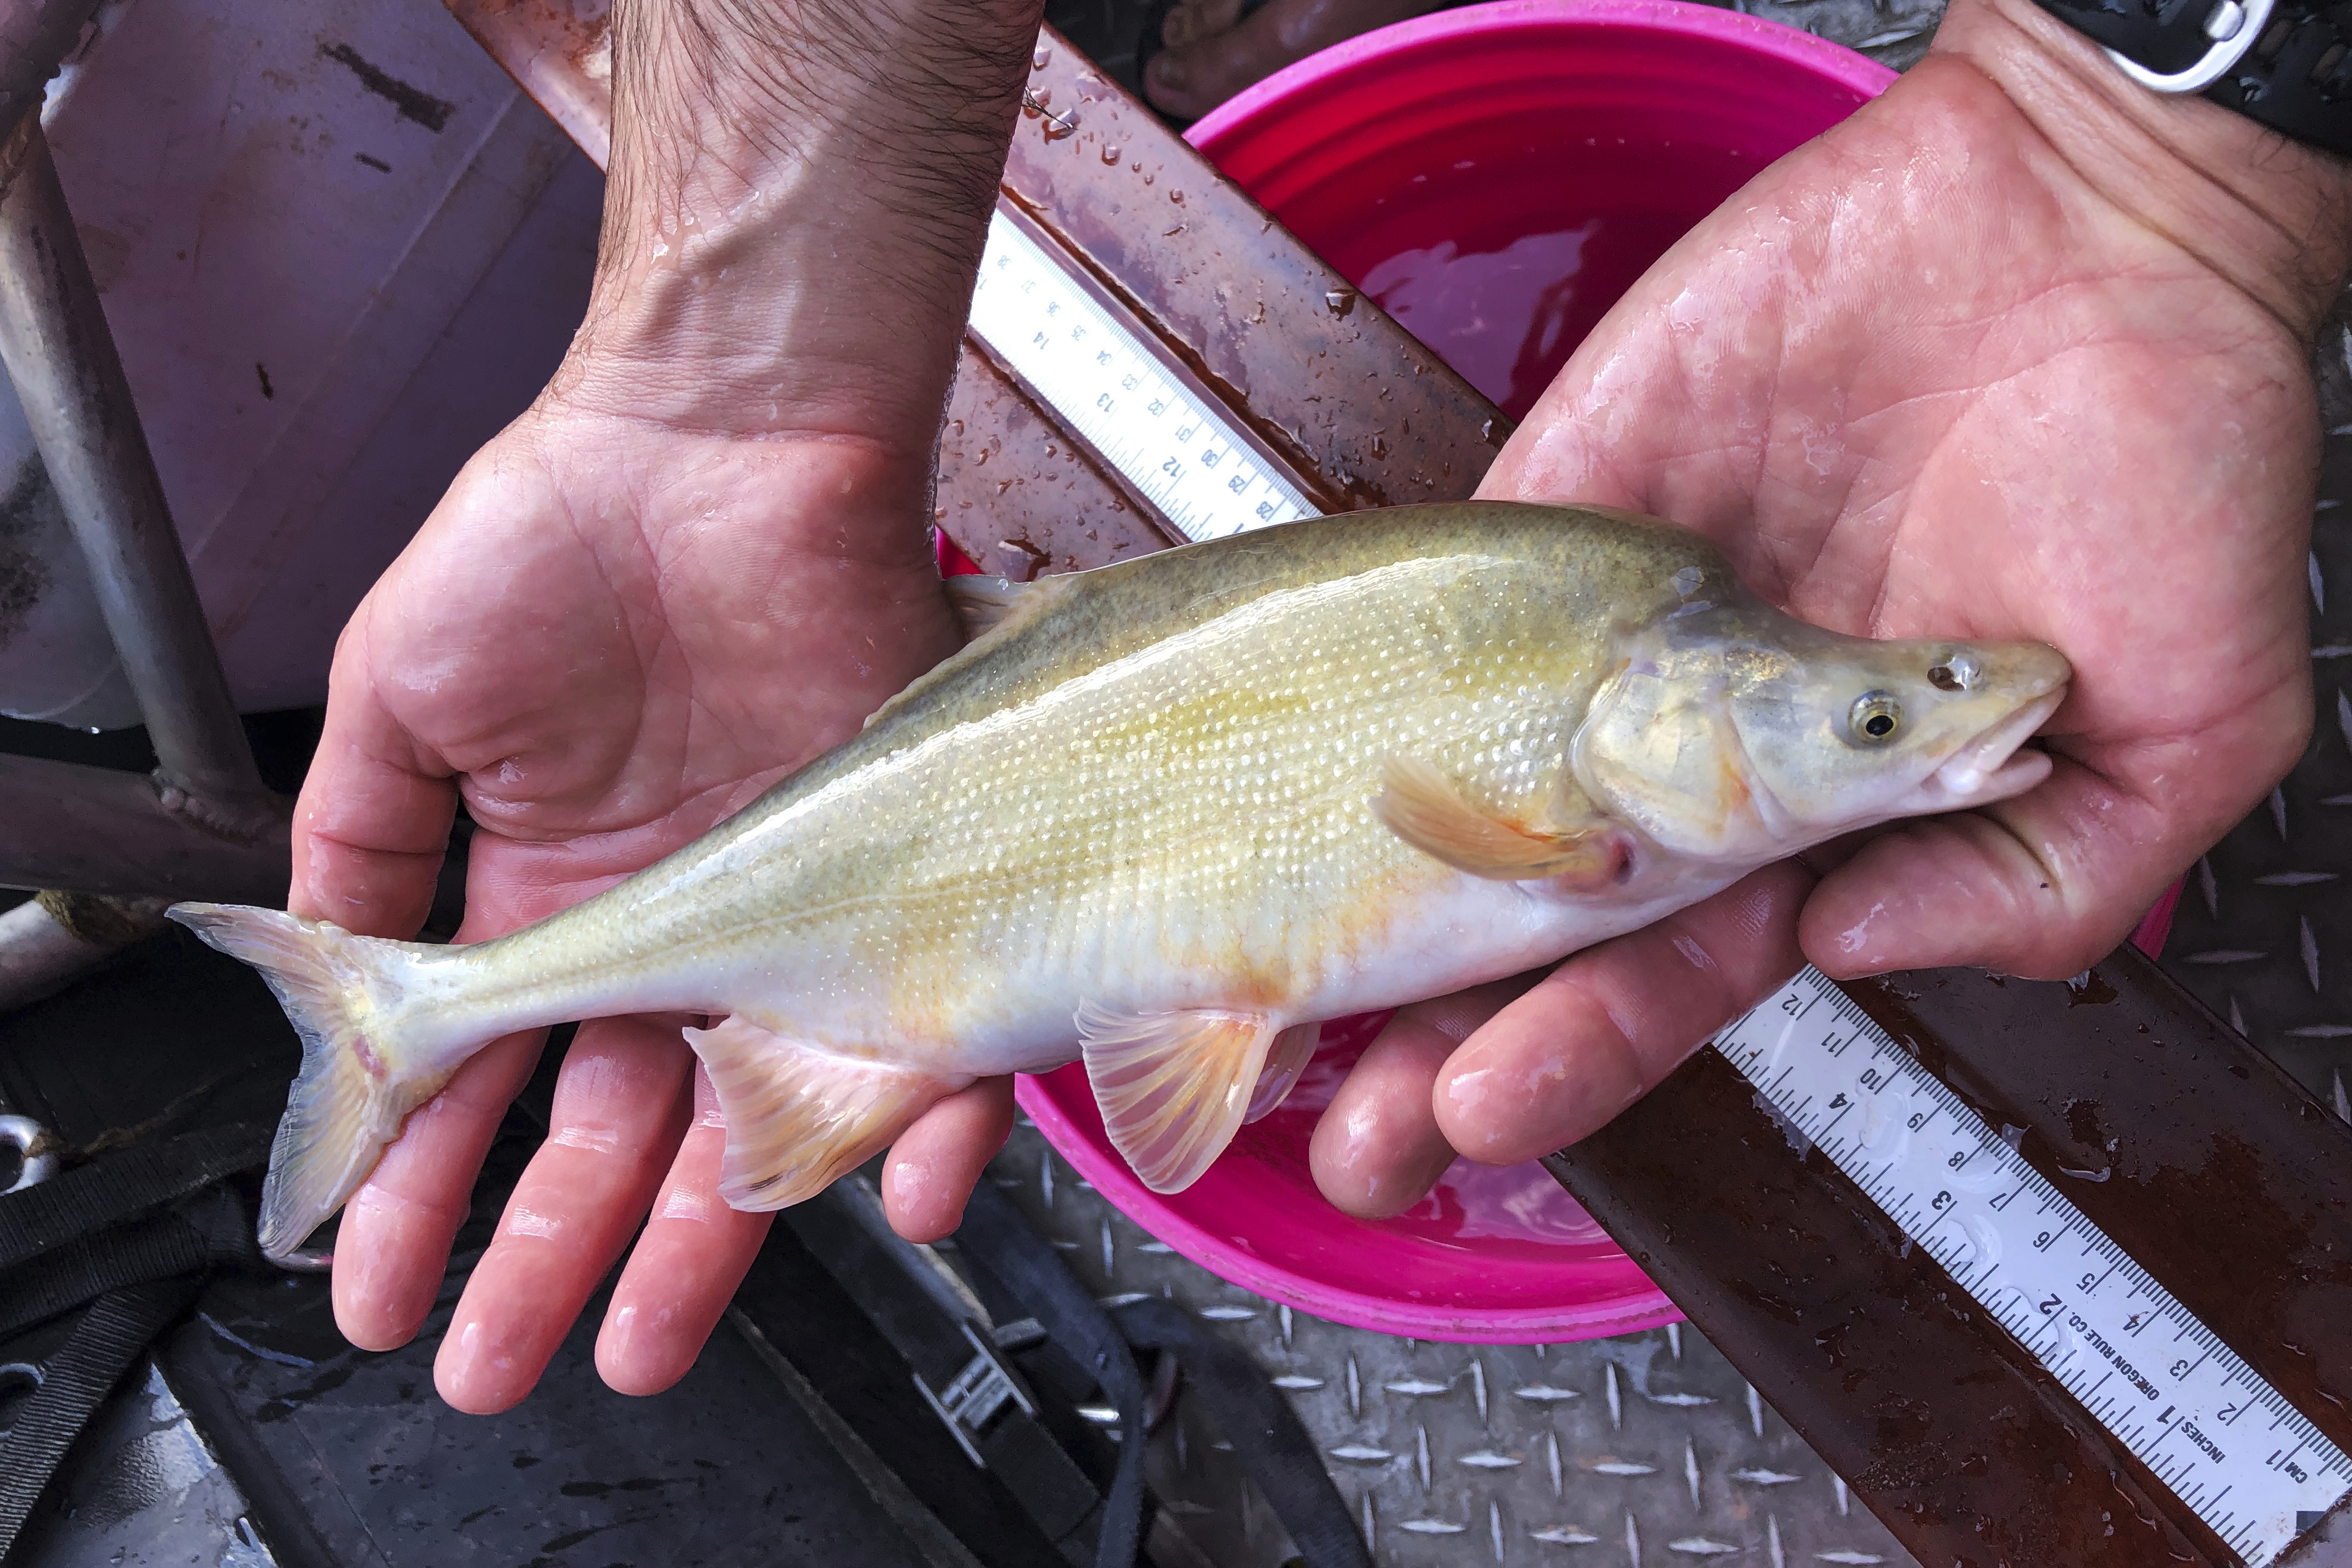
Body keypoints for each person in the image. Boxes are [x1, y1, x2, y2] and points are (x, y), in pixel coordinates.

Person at [286, 0, 2351, 1413]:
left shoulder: (1642, 705)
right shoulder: (1595, 798)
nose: (1904, 732)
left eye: (1877, 725)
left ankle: (452, 998)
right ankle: (423, 1000)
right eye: (1878, 728)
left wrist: (2156, 161)